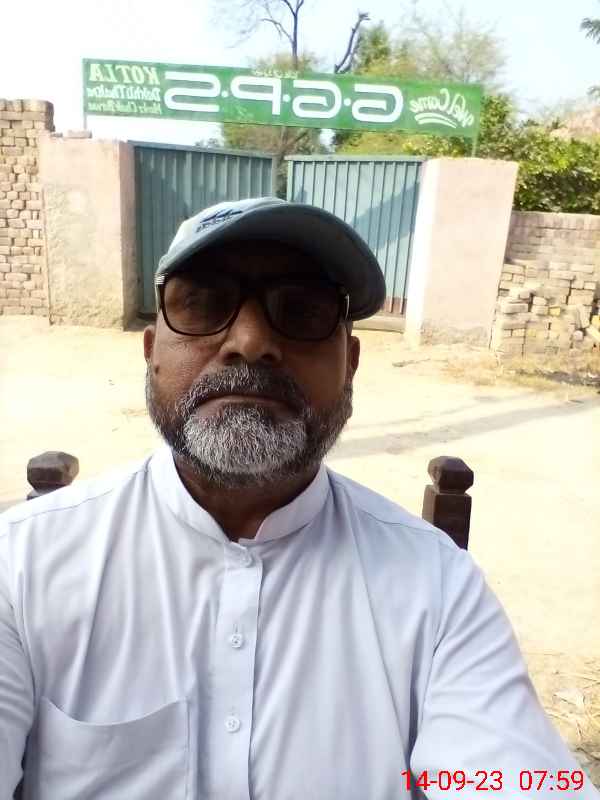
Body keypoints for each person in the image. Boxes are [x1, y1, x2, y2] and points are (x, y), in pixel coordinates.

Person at [0, 197, 596, 800]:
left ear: (350, 365)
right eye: (203, 303)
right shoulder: (22, 566)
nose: (251, 341)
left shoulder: (438, 589)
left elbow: (509, 775)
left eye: (303, 311)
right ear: (151, 350)